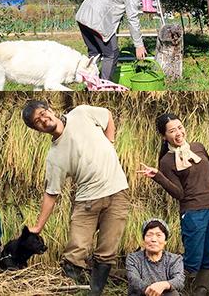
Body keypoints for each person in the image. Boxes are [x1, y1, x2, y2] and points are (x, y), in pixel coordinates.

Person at [22, 100, 130, 296]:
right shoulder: (54, 157)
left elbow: (107, 115)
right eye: (38, 121)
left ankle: (95, 293)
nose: (44, 120)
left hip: (117, 193)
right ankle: (70, 290)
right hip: (86, 201)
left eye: (43, 113)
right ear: (37, 129)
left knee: (107, 250)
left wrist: (110, 142)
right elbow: (51, 193)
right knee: (75, 250)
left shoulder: (81, 114)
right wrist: (38, 226)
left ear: (50, 109)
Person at [138, 114, 209, 296]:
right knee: (193, 259)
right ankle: (167, 289)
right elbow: (179, 194)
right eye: (172, 130)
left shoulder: (198, 147)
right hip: (193, 213)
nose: (178, 132)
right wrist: (158, 177)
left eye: (180, 127)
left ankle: (201, 290)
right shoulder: (166, 162)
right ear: (164, 136)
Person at [75, 0, 155, 80]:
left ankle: (88, 81)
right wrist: (139, 45)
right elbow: (132, 18)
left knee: (94, 53)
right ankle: (103, 87)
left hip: (82, 16)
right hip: (97, 21)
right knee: (112, 54)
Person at [126, 219, 185, 296]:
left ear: (165, 241)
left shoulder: (175, 259)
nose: (153, 239)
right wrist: (150, 290)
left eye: (158, 235)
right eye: (149, 235)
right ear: (143, 239)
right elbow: (133, 279)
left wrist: (163, 285)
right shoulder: (133, 258)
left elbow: (179, 280)